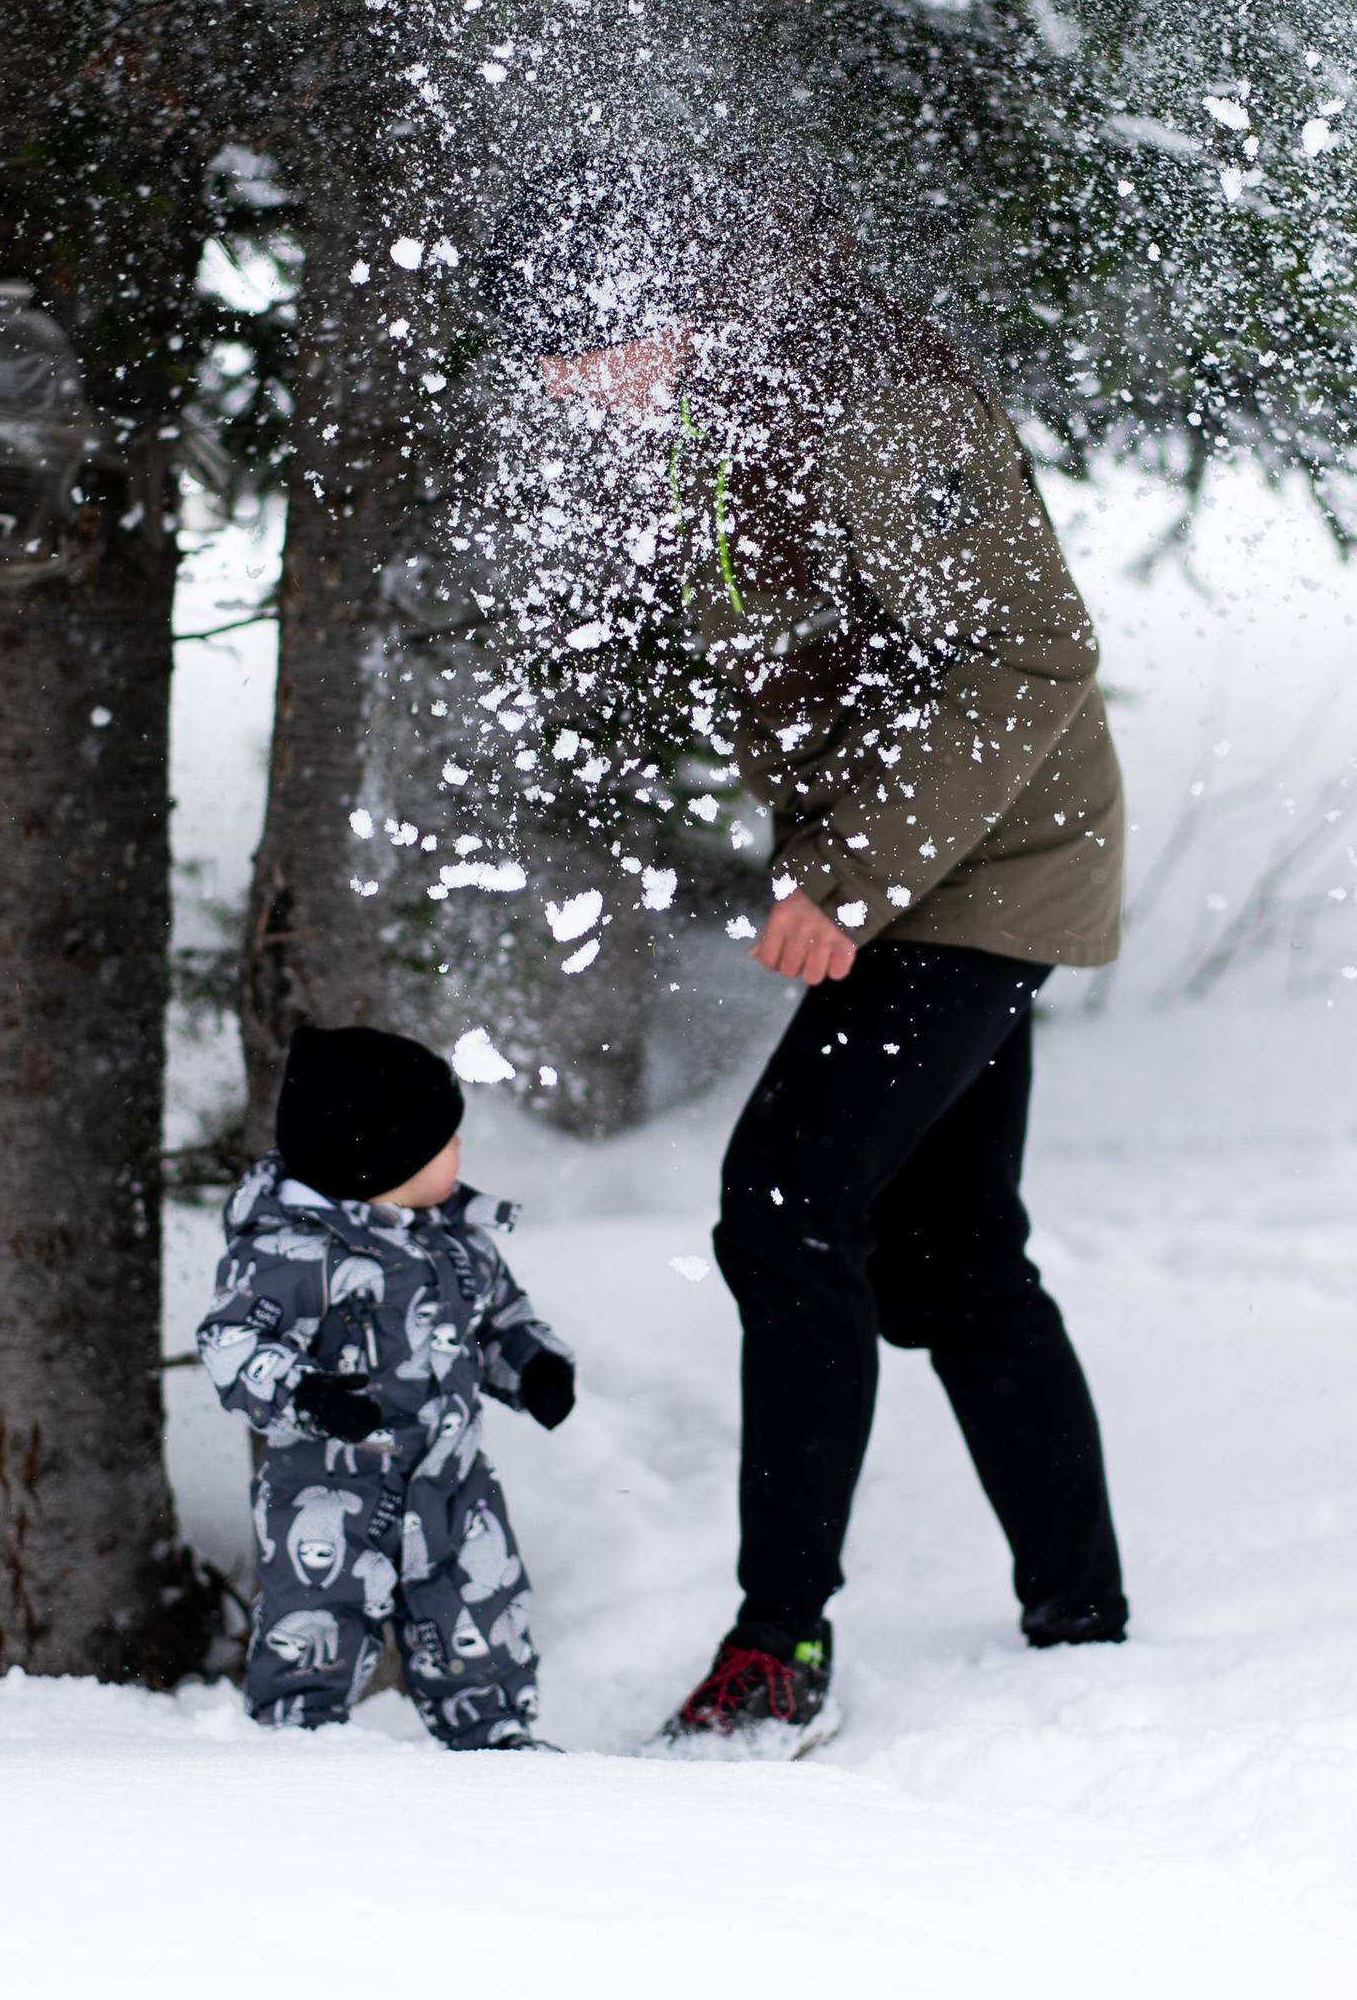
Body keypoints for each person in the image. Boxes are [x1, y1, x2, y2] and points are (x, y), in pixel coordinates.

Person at [492, 160, 1130, 1748]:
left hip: (982, 871)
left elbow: (1029, 654)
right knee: (951, 1259)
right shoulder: (739, 402)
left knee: (785, 1215)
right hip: (927, 870)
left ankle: (778, 1646)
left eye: (578, 360)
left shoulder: (872, 406)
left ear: (651, 311)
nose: (574, 399)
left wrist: (847, 882)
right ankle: (1086, 1625)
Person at [199, 1022, 577, 1748]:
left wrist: (533, 1367)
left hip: (451, 1485)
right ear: (379, 1160)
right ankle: (295, 1735)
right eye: (443, 1141)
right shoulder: (289, 1252)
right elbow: (234, 1342)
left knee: (479, 1608)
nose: (459, 1151)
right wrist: (306, 1393)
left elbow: (499, 1317)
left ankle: (494, 1732)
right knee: (317, 1614)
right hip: (330, 1489)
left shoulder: (457, 1241)